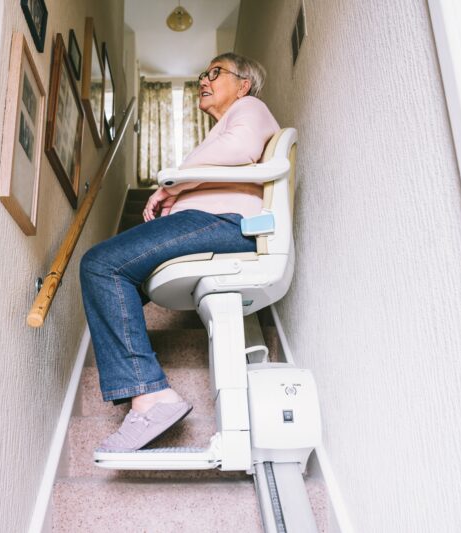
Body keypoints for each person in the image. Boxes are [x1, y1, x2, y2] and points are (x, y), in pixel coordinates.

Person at [80, 52, 280, 452]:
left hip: (226, 223)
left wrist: (173, 185)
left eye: (215, 73)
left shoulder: (249, 108)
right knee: (115, 277)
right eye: (203, 74)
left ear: (243, 84)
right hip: (216, 222)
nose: (204, 80)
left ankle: (151, 396)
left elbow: (239, 148)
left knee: (101, 264)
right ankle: (145, 393)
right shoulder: (224, 124)